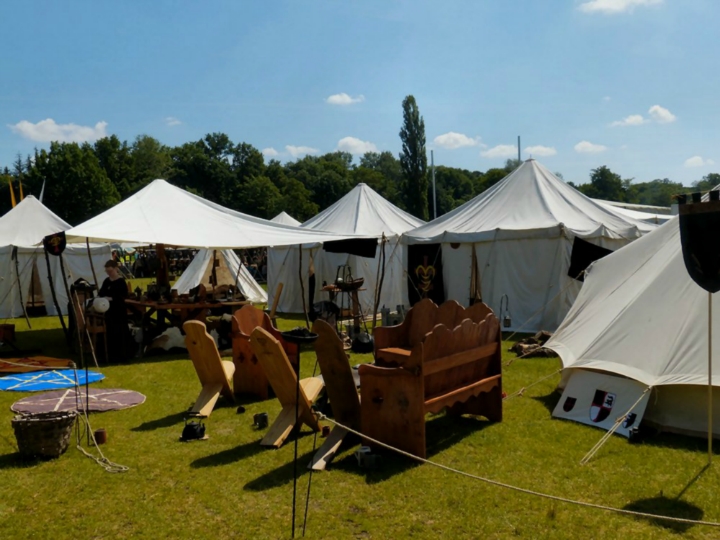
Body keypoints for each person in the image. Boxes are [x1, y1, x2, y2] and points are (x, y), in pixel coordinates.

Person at [98, 259, 132, 361]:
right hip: (108, 312)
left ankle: (122, 355)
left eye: (110, 271)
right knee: (110, 333)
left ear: (116, 269)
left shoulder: (121, 282)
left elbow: (123, 296)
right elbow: (101, 292)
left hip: (118, 312)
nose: (109, 273)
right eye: (107, 272)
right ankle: (110, 355)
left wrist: (112, 298)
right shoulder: (106, 281)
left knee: (119, 333)